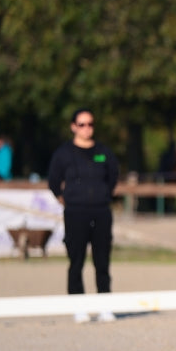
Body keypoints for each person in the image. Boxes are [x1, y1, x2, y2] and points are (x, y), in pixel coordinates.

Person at [47, 108, 119, 322]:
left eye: (90, 124)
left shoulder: (104, 152)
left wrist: (102, 195)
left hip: (101, 211)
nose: (86, 128)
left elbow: (113, 177)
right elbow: (53, 181)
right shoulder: (63, 154)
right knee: (76, 260)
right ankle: (78, 306)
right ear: (73, 127)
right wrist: (66, 199)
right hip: (75, 212)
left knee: (102, 261)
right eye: (82, 124)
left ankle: (105, 305)